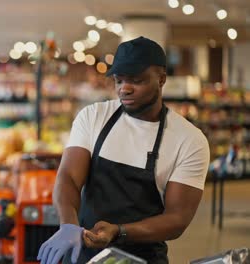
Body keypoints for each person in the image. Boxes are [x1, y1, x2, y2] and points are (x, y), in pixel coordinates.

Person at [37, 36, 210, 264]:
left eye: (136, 81)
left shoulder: (188, 140)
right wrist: (69, 224)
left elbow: (177, 219)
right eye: (119, 80)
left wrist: (119, 231)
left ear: (161, 79)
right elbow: (68, 176)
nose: (124, 89)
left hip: (143, 257)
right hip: (83, 253)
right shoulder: (93, 117)